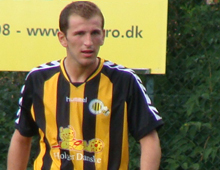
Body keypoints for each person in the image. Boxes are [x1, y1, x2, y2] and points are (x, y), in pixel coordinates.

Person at [7, 1, 164, 170]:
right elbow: (22, 137)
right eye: (80, 34)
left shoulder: (124, 81)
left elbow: (149, 139)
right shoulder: (39, 79)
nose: (88, 42)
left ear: (103, 35)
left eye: (94, 33)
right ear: (63, 38)